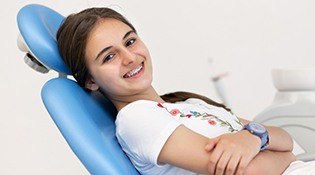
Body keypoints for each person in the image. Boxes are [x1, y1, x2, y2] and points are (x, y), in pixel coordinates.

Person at [56, 7, 315, 175]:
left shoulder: (185, 103)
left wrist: (253, 138)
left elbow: (285, 139)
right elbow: (246, 170)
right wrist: (275, 150)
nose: (130, 57)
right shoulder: (137, 119)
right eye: (109, 56)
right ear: (91, 81)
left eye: (130, 41)